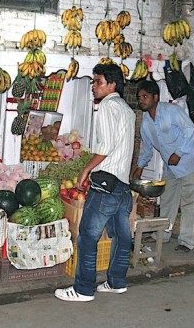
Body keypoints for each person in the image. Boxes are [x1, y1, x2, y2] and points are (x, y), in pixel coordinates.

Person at [55, 63, 135, 302]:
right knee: (121, 236)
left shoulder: (108, 106)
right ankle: (116, 282)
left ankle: (83, 289)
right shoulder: (126, 109)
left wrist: (86, 171)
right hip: (122, 184)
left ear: (111, 84)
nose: (93, 86)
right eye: (93, 82)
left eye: (98, 82)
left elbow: (105, 147)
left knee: (88, 236)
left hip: (106, 184)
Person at [132, 80, 194, 252]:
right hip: (171, 166)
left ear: (155, 97)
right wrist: (140, 167)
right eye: (139, 97)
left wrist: (178, 153)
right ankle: (162, 235)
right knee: (166, 200)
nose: (141, 100)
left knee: (189, 202)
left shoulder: (172, 111)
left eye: (145, 96)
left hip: (189, 160)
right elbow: (147, 147)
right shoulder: (146, 123)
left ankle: (188, 242)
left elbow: (190, 130)